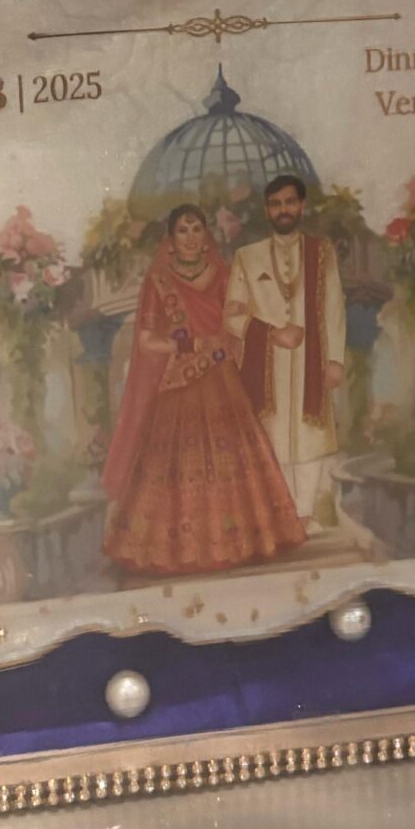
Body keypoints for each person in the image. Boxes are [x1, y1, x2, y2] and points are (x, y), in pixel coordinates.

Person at [103, 205, 306, 575]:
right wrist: (188, 345)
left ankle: (242, 542)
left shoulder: (222, 274)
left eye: (197, 229)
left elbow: (240, 319)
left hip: (222, 378)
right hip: (180, 383)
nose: (191, 237)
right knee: (176, 465)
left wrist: (274, 334)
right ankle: (178, 549)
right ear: (171, 238)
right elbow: (146, 340)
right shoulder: (159, 281)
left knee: (236, 457)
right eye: (183, 230)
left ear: (206, 234)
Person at [226, 174, 347, 526]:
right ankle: (279, 518)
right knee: (272, 437)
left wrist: (335, 360)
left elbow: (335, 307)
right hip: (267, 365)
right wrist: (273, 334)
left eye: (290, 202)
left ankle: (304, 516)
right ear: (267, 210)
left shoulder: (321, 252)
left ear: (301, 206)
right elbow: (231, 315)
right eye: (276, 204)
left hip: (312, 361)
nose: (283, 210)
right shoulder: (247, 257)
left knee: (310, 438)